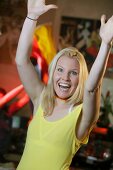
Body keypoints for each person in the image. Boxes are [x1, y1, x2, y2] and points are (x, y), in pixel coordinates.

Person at [15, 0, 113, 169]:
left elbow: (91, 88)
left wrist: (105, 44)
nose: (65, 78)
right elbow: (21, 60)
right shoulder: (41, 99)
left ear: (80, 78)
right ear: (53, 72)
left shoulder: (81, 116)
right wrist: (31, 17)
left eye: (73, 73)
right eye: (60, 70)